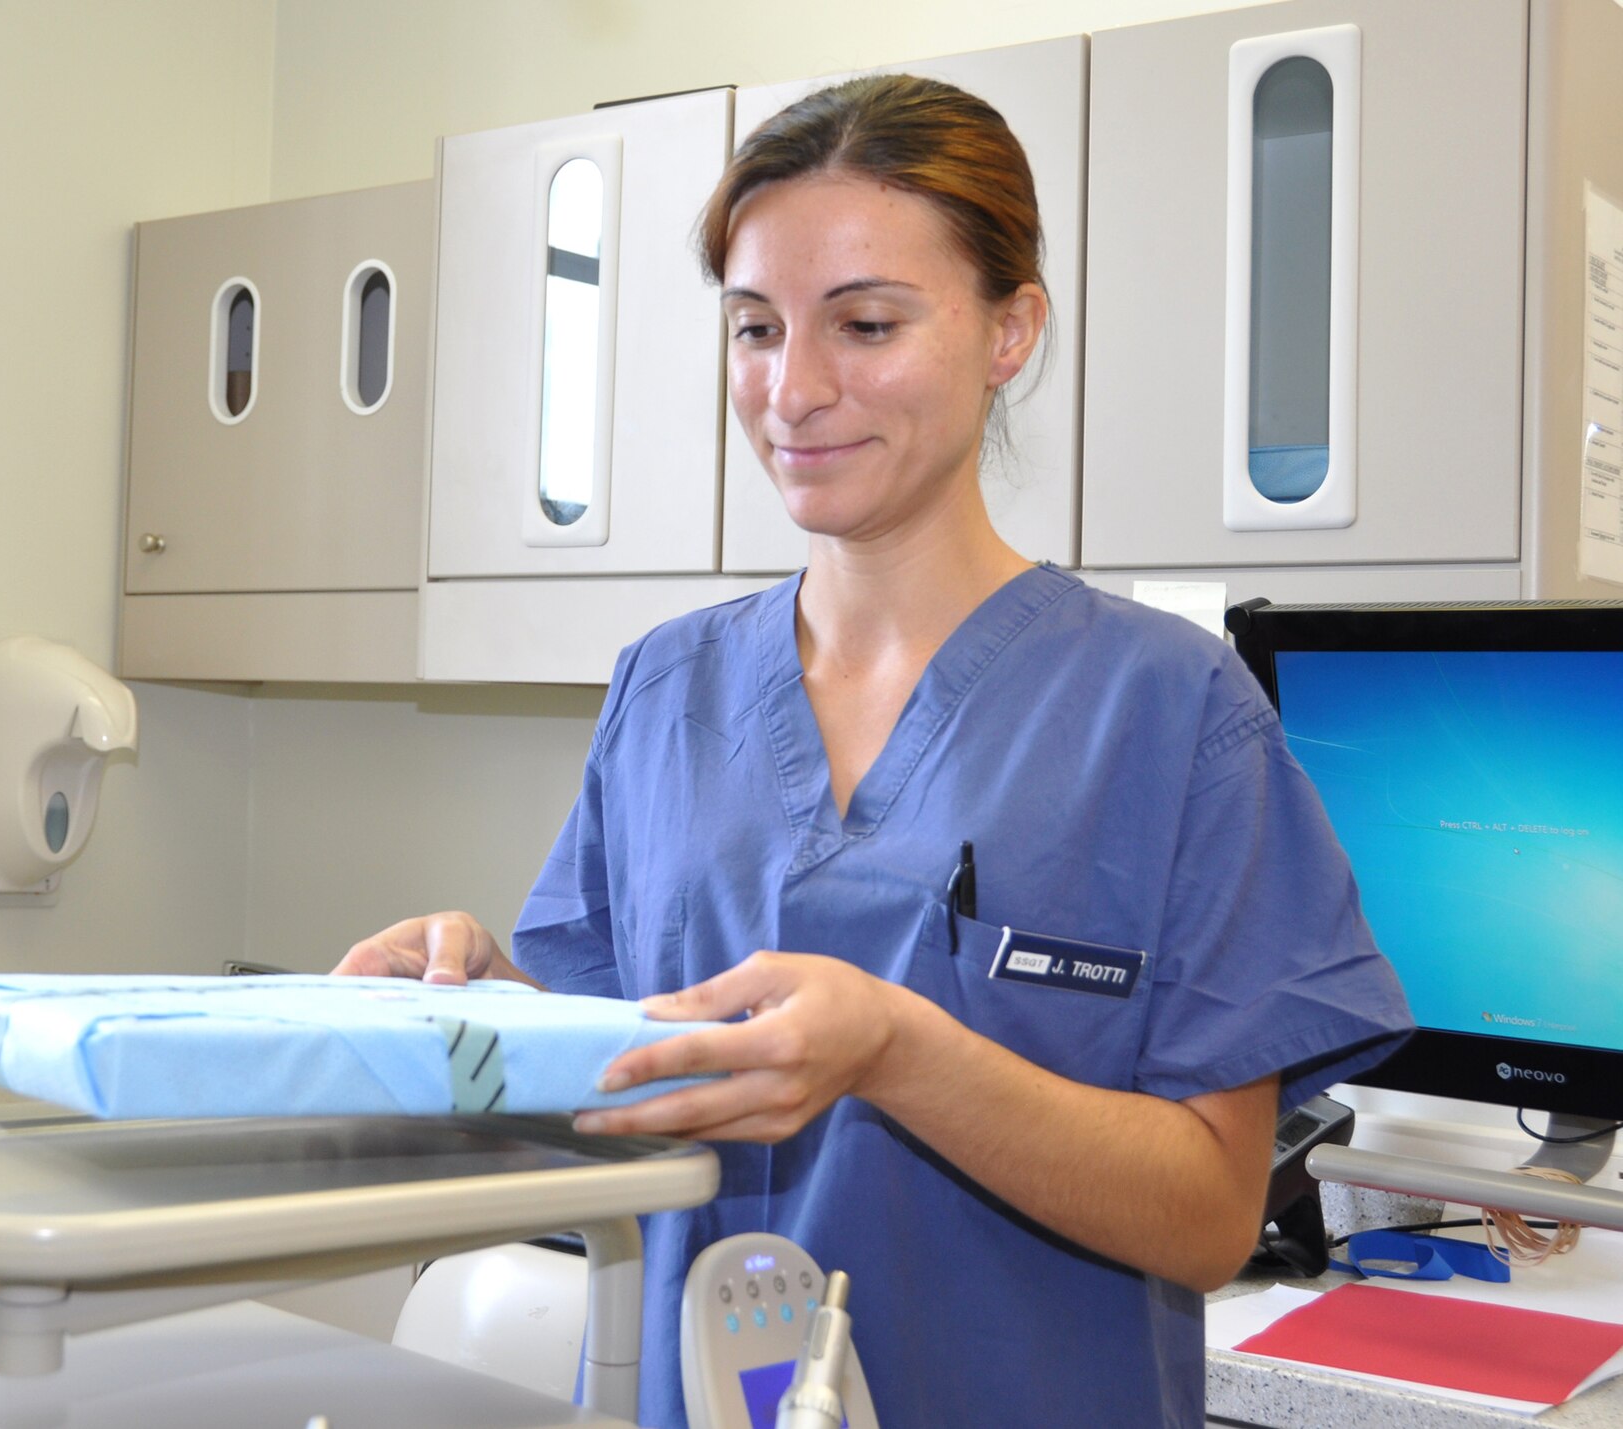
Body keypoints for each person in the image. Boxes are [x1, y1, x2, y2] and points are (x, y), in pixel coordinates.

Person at [337, 74, 1412, 1428]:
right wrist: (484, 1003)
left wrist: (900, 1049)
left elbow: (1208, 1214)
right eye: (755, 328)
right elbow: (611, 1086)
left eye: (866, 323)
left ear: (1010, 327)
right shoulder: (668, 688)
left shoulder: (1167, 711)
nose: (793, 389)